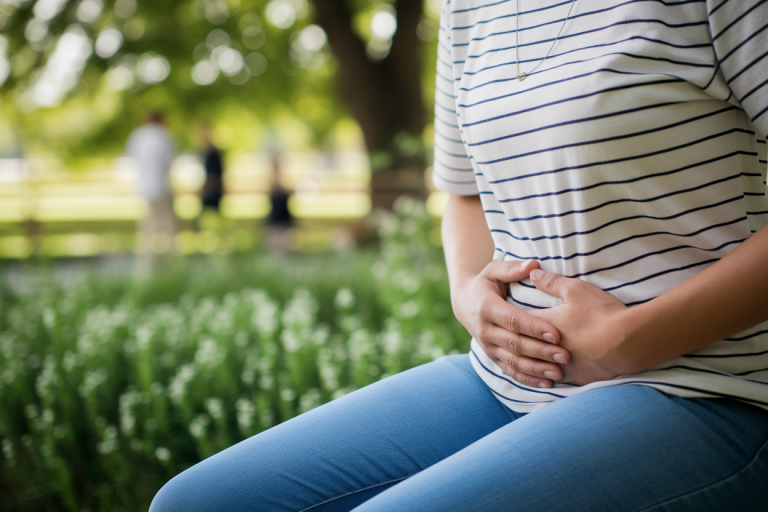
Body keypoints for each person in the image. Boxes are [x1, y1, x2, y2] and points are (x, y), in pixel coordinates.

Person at [150, 0, 768, 510]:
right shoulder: (469, 7)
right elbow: (463, 192)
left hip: (707, 388)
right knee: (195, 503)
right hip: (504, 382)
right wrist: (468, 294)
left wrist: (633, 337)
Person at [126, 112, 176, 272]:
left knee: (147, 230)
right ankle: (170, 264)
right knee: (168, 229)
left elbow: (133, 160)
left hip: (145, 190)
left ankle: (145, 266)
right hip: (161, 189)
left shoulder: (138, 136)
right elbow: (169, 164)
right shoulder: (164, 136)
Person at [199, 126, 224, 213]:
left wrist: (207, 190)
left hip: (212, 192)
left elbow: (214, 176)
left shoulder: (212, 155)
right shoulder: (209, 154)